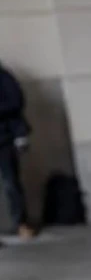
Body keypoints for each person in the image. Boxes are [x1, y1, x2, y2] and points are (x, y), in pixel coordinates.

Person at [0, 61, 35, 240]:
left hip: (4, 138)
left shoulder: (3, 76)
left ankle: (21, 223)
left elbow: (16, 101)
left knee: (11, 183)